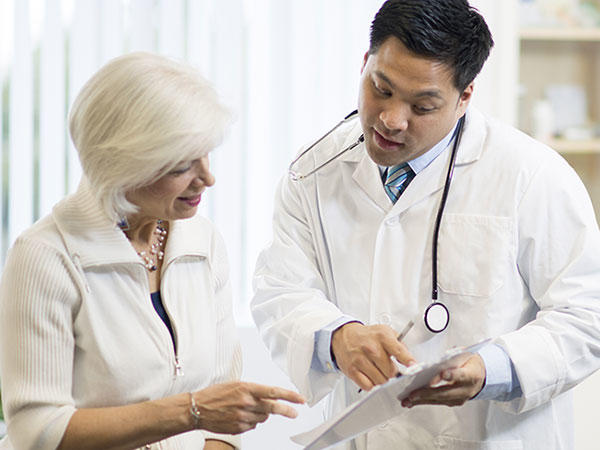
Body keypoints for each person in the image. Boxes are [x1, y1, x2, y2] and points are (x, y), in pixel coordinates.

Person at [251, 1, 600, 449]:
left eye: (423, 105)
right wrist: (337, 336)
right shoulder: (315, 171)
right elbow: (279, 288)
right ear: (365, 64)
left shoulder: (531, 175)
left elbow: (587, 313)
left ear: (465, 96)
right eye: (381, 89)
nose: (392, 120)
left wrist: (490, 368)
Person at [0, 52, 304, 450]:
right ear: (121, 165)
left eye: (206, 153)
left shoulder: (204, 242)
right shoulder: (46, 257)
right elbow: (35, 431)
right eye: (181, 166)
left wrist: (211, 425)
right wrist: (190, 411)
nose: (207, 178)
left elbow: (221, 410)